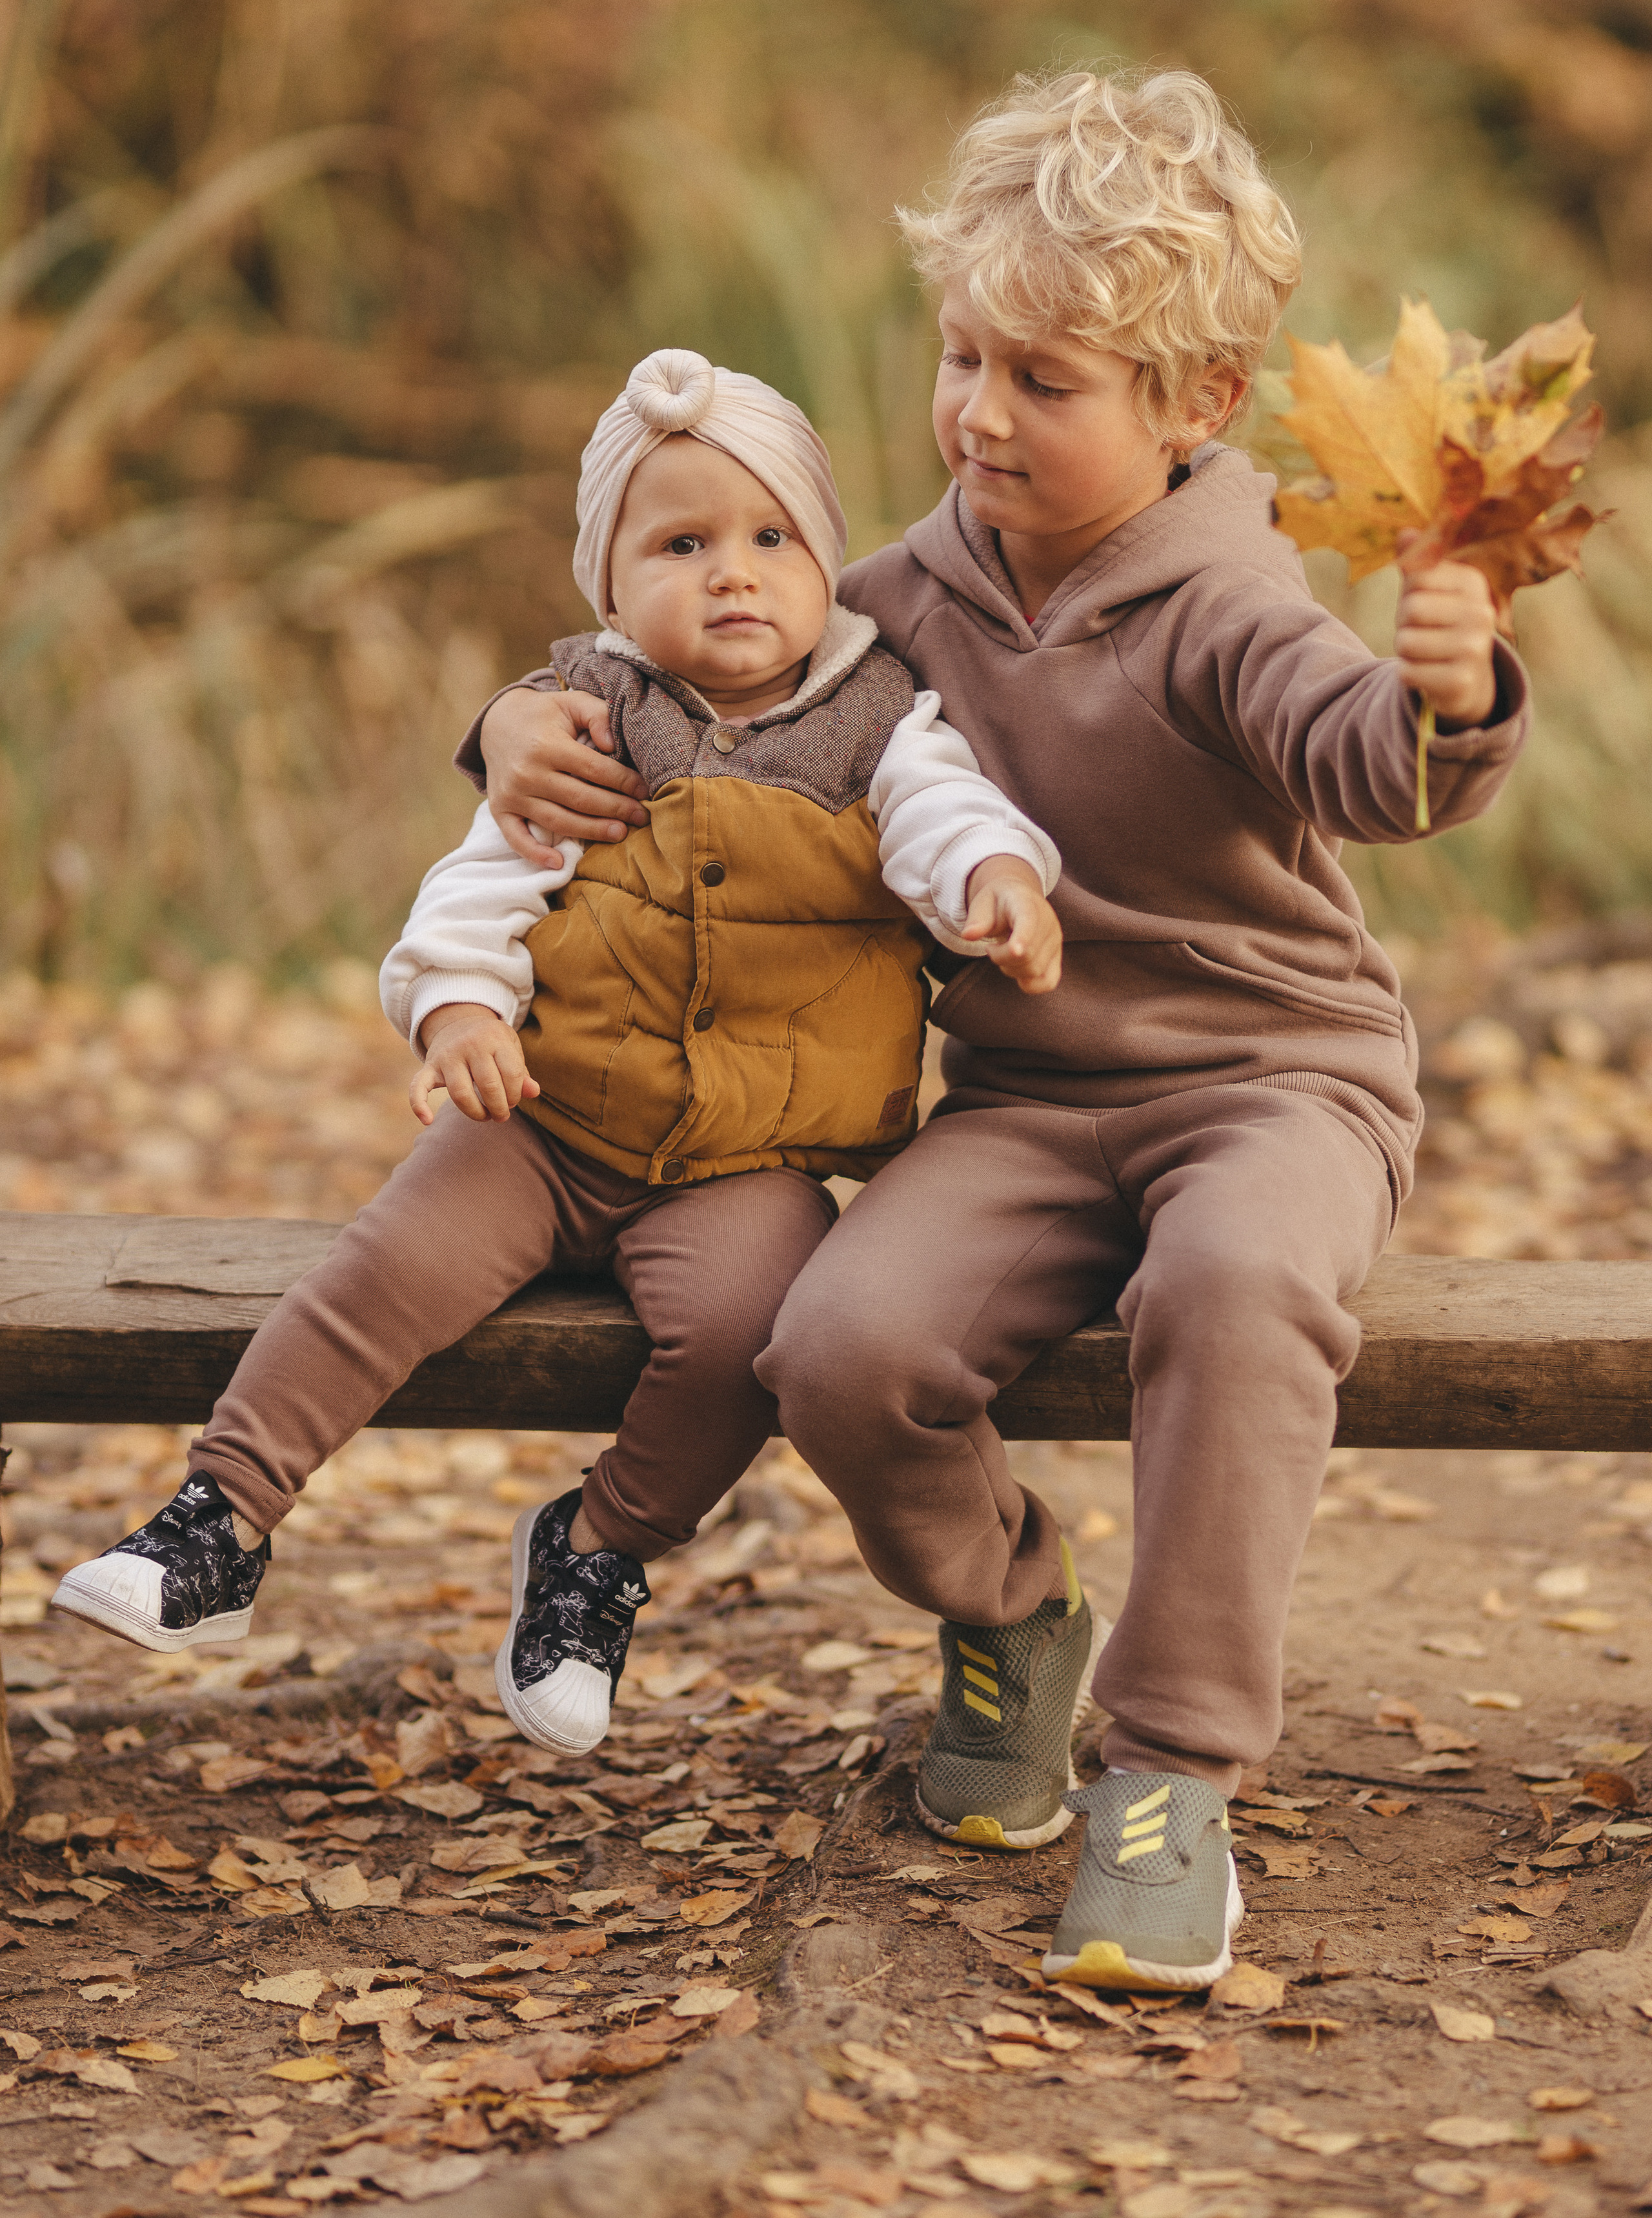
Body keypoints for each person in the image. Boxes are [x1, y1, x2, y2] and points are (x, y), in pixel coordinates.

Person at [466, 70, 1525, 1990]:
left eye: (1047, 379)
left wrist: (1450, 702)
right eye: (965, 356)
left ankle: (1170, 1769)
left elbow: (1367, 764)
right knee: (845, 1344)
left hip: (1274, 1078)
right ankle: (1013, 1608)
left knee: (1230, 1288)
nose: (977, 412)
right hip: (1029, 1100)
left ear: (1194, 402)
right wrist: (510, 730)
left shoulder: (1231, 600)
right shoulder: (898, 602)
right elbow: (694, 671)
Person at [52, 348, 1073, 1764]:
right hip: (543, 1121)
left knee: (743, 1341)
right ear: (608, 584)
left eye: (771, 538)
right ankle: (218, 1519)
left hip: (748, 1160)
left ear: (826, 557)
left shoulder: (880, 726)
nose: (733, 574)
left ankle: (596, 1553)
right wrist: (460, 1011)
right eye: (681, 543)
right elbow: (483, 884)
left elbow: (946, 818)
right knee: (379, 1269)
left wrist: (995, 883)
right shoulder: (592, 718)